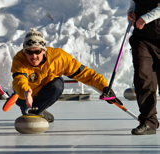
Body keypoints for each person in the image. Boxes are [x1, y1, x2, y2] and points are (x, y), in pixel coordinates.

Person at [11, 28, 122, 123]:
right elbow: (19, 80)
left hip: (44, 93)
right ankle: (34, 110)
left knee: (58, 84)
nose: (33, 56)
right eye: (29, 52)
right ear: (24, 52)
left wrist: (104, 87)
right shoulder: (19, 59)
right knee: (25, 99)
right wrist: (26, 92)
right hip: (24, 97)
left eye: (37, 51)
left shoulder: (58, 57)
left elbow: (85, 74)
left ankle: (36, 111)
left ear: (44, 50)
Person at [128, 0, 160, 135]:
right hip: (142, 37)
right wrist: (131, 13)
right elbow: (134, 3)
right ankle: (149, 121)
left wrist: (145, 18)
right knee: (143, 75)